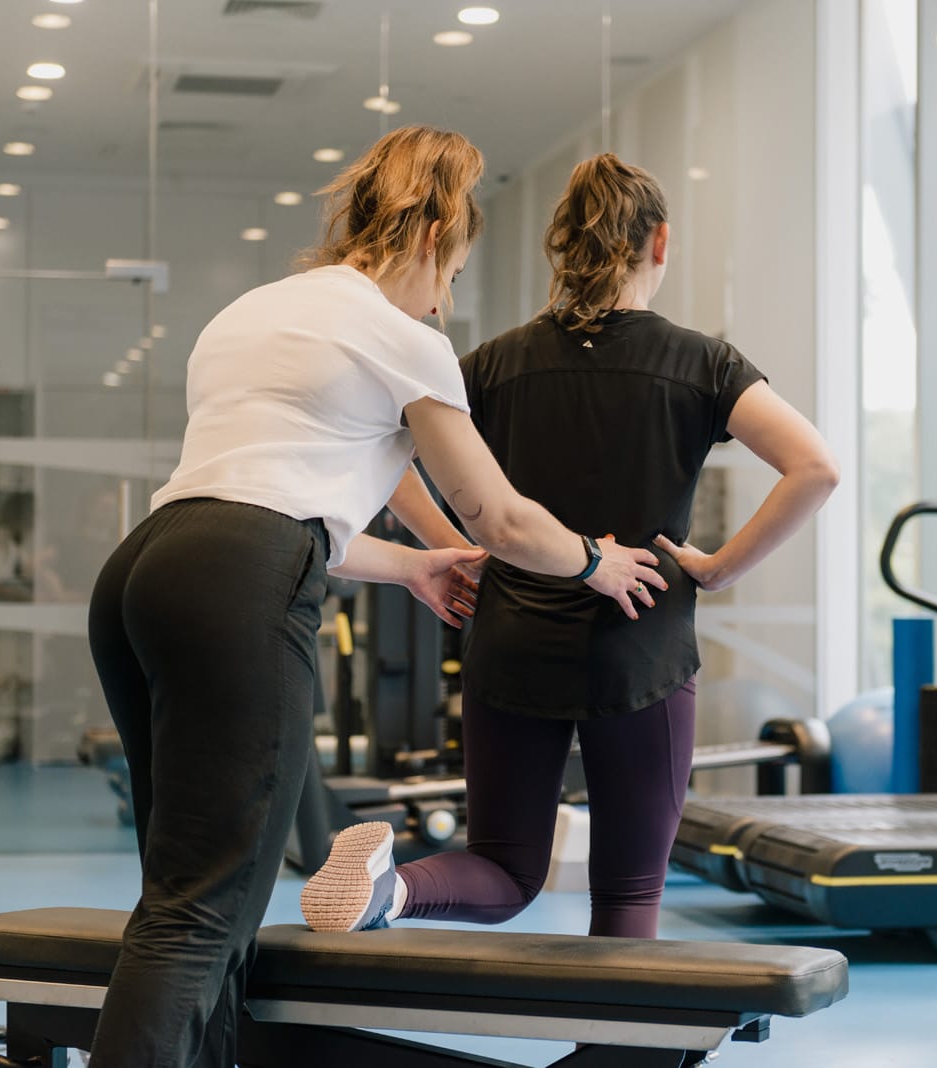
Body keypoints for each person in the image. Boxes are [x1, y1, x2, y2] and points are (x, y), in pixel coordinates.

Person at [85, 127, 666, 1068]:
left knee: (181, 894)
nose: (447, 296)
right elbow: (504, 519)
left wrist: (417, 565)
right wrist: (598, 563)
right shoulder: (406, 338)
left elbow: (281, 497)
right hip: (236, 581)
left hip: (147, 570)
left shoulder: (256, 312)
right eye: (456, 269)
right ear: (435, 235)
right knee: (201, 912)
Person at [301, 153, 840, 940]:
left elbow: (380, 459)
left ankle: (392, 890)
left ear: (560, 249)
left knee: (505, 867)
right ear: (661, 242)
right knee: (626, 899)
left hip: (512, 641)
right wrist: (718, 569)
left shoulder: (493, 364)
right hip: (642, 646)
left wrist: (458, 547)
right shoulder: (702, 363)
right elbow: (815, 468)